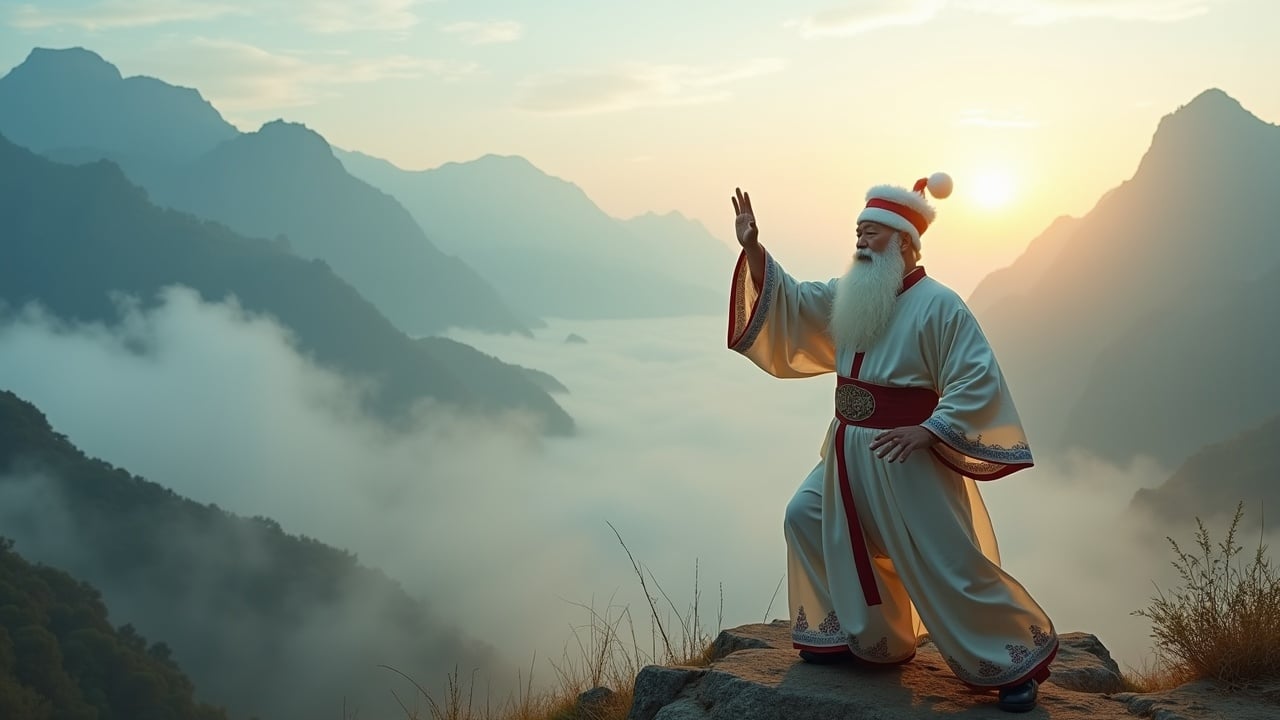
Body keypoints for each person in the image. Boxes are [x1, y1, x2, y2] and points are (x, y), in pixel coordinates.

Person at [727, 176, 1057, 713]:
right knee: (805, 517)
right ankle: (852, 633)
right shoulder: (851, 295)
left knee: (944, 562)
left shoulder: (940, 307)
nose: (859, 241)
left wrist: (927, 431)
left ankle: (1010, 663)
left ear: (903, 241)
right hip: (844, 452)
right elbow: (796, 302)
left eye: (872, 233)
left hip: (906, 456)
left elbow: (975, 378)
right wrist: (754, 250)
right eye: (857, 231)